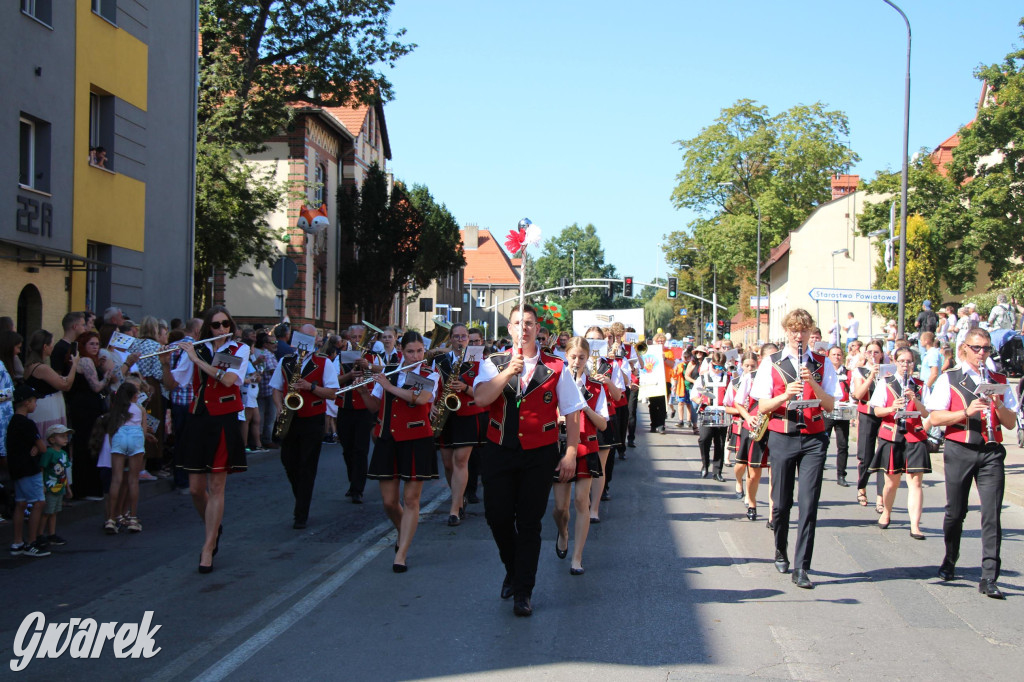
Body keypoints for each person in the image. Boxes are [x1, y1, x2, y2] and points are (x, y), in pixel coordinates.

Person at [473, 304, 585, 617]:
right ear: (508, 329)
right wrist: (509, 370)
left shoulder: (556, 365)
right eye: (517, 323)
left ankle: (524, 590)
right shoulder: (493, 363)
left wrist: (572, 452)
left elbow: (573, 410)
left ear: (538, 329)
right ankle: (512, 568)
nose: (524, 328)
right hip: (499, 449)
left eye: (530, 323)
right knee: (497, 516)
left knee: (529, 523)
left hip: (539, 452)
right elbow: (481, 399)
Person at [751, 309, 842, 590]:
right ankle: (780, 548)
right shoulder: (772, 362)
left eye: (803, 330)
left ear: (810, 332)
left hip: (814, 438)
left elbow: (830, 406)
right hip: (782, 435)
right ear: (786, 332)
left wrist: (812, 382)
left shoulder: (822, 363)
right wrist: (785, 394)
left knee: (809, 503)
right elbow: (762, 405)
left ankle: (802, 566)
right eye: (793, 330)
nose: (798, 335)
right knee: (781, 503)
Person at [926, 328, 1017, 599]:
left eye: (986, 349)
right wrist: (965, 412)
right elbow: (935, 417)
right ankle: (950, 557)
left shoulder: (998, 380)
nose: (981, 354)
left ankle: (989, 576)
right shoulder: (950, 378)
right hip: (959, 449)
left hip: (991, 452)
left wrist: (998, 404)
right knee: (956, 512)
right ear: (964, 348)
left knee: (992, 514)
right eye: (976, 348)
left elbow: (1010, 422)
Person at [171, 306, 250, 574]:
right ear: (208, 328)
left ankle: (208, 547)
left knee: (217, 486)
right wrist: (164, 361)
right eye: (215, 325)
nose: (221, 330)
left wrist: (195, 358)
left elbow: (227, 380)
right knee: (195, 488)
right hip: (198, 419)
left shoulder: (236, 350)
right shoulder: (198, 349)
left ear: (231, 325)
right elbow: (174, 384)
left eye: (225, 324)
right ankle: (214, 526)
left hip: (223, 419)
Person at [362, 331, 440, 572]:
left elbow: (421, 399)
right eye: (410, 351)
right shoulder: (390, 371)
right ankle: (403, 532)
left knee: (411, 499)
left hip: (417, 439)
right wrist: (363, 391)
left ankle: (401, 554)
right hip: (388, 439)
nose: (415, 356)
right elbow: (375, 407)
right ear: (401, 351)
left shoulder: (430, 374)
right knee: (388, 502)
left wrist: (388, 385)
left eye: (419, 351)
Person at [270, 324, 340, 530]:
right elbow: (275, 388)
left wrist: (310, 387)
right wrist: (278, 406)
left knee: (307, 465)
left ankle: (301, 513)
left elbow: (333, 393)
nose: (305, 342)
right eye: (302, 336)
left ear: (316, 341)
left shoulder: (323, 362)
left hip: (312, 418)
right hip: (290, 417)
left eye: (310, 338)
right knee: (288, 461)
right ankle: (301, 496)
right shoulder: (286, 361)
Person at [552, 337, 607, 576]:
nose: (576, 361)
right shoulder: (555, 380)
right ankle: (563, 532)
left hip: (587, 446)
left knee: (580, 501)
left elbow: (603, 424)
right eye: (573, 357)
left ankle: (577, 557)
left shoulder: (595, 386)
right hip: (562, 447)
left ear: (588, 358)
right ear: (566, 356)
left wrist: (584, 406)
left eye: (581, 358)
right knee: (560, 508)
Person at [869, 347, 930, 537]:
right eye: (902, 361)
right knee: (891, 482)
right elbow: (877, 411)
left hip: (914, 436)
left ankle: (915, 525)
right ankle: (886, 512)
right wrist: (891, 408)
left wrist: (915, 400)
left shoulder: (920, 385)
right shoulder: (885, 383)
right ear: (895, 362)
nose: (906, 365)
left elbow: (927, 413)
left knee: (916, 482)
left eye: (909, 361)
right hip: (892, 436)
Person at [434, 323, 485, 526]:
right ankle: (459, 496)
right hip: (446, 414)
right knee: (448, 464)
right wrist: (432, 405)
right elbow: (432, 385)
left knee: (460, 461)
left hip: (467, 413)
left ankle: (455, 508)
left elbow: (483, 391)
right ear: (451, 339)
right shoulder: (440, 361)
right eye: (457, 337)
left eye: (464, 337)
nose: (461, 340)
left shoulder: (477, 360)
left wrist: (465, 387)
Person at [66, 330, 116, 499]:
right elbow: (96, 387)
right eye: (91, 344)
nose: (95, 347)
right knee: (87, 444)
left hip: (88, 406)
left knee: (89, 444)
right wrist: (107, 377)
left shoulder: (90, 361)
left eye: (97, 344)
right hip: (85, 408)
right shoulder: (86, 360)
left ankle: (87, 487)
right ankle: (86, 488)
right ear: (84, 345)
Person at [6, 386, 51, 557]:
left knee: (21, 503)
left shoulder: (13, 423)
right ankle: (31, 542)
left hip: (16, 469)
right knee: (38, 503)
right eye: (34, 401)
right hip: (29, 469)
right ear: (26, 402)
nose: (36, 405)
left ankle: (17, 541)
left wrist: (35, 447)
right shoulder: (27, 423)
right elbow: (42, 448)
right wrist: (36, 447)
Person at [104, 381, 152, 533]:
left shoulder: (117, 409)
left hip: (119, 436)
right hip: (135, 437)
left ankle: (111, 519)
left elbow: (111, 429)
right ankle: (132, 517)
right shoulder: (140, 409)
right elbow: (143, 432)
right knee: (133, 479)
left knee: (116, 479)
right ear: (133, 396)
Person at [585, 326, 621, 521]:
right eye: (590, 339)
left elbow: (618, 395)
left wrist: (607, 381)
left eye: (597, 339)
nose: (594, 342)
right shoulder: (576, 361)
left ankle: (594, 509)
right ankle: (582, 502)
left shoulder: (610, 364)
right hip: (581, 417)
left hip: (603, 417)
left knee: (600, 465)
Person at [23, 330, 78, 443]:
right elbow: (66, 386)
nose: (53, 347)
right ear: (45, 346)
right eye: (51, 344)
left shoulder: (31, 365)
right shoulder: (42, 368)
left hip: (46, 409)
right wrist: (74, 365)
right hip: (47, 412)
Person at [691, 351, 731, 481]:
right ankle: (705, 464)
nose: (718, 369)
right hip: (706, 412)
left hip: (722, 412)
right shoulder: (703, 378)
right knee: (704, 439)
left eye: (721, 367)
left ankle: (717, 471)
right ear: (711, 364)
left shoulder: (728, 378)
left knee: (719, 442)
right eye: (715, 366)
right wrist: (700, 400)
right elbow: (694, 395)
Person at [39, 424, 73, 546]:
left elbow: (64, 472)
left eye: (66, 436)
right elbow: (42, 468)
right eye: (62, 436)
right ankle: (40, 534)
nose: (66, 439)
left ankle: (51, 534)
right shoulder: (49, 453)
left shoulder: (63, 453)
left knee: (54, 511)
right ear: (52, 439)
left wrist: (67, 487)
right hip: (50, 486)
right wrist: (42, 484)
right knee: (47, 512)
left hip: (60, 487)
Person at [823, 345, 853, 487]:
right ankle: (818, 467)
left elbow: (852, 391)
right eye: (834, 354)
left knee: (843, 444)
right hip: (828, 410)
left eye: (839, 354)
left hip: (843, 411)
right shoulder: (825, 371)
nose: (837, 357)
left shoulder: (849, 373)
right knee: (823, 440)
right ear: (829, 356)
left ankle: (841, 474)